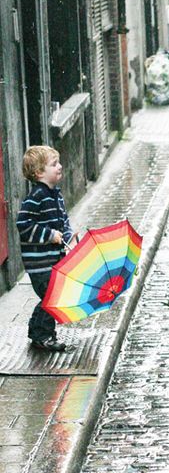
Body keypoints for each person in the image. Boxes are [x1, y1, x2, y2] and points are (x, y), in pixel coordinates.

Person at [17, 145, 77, 351]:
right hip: (40, 264)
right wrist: (50, 235)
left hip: (54, 260)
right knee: (53, 296)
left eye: (58, 162)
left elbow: (62, 221)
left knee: (53, 295)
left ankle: (38, 331)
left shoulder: (55, 195)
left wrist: (67, 235)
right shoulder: (36, 197)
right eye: (54, 164)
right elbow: (23, 225)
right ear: (39, 173)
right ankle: (42, 336)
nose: (60, 167)